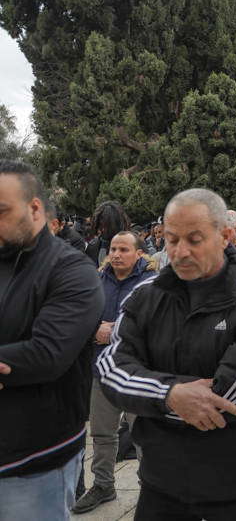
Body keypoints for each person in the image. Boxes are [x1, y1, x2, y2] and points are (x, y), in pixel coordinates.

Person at [97, 188, 236, 520]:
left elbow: (223, 402)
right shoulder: (144, 296)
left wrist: (144, 393)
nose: (180, 251)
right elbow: (111, 371)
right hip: (158, 485)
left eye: (194, 240)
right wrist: (169, 394)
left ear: (226, 236)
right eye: (171, 239)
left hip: (234, 489)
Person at [0, 160, 104, 520]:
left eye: (1, 211)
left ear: (35, 208)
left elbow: (46, 355)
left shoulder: (72, 270)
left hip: (33, 460)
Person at [72, 231, 159, 514]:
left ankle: (152, 487)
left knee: (143, 432)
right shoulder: (97, 281)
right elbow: (79, 315)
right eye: (113, 249)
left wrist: (117, 331)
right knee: (101, 432)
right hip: (102, 369)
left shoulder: (152, 283)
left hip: (139, 371)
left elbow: (156, 322)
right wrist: (93, 329)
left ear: (139, 254)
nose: (117, 254)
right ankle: (103, 484)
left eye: (123, 249)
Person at [86, 201, 131, 267]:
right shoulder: (93, 247)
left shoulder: (133, 245)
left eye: (107, 226)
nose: (102, 230)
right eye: (100, 226)